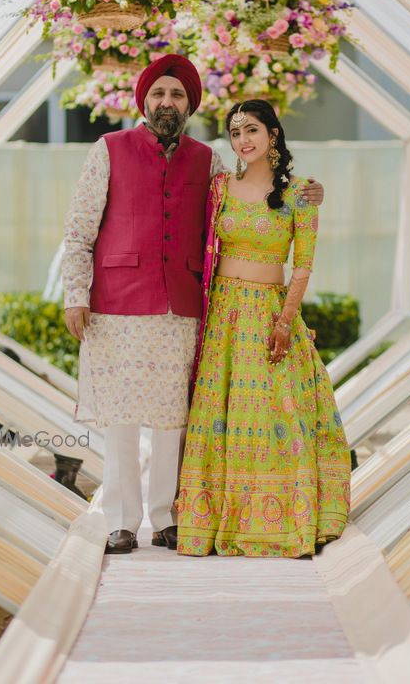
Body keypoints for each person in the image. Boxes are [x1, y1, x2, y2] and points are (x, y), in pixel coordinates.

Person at [62, 57, 323, 555]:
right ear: (144, 101)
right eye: (159, 94)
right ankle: (120, 519)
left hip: (182, 306)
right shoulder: (108, 150)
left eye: (177, 96)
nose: (167, 103)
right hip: (115, 305)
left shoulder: (211, 164)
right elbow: (79, 229)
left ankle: (164, 518)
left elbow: (258, 197)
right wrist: (77, 294)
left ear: (189, 106)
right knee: (119, 415)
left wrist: (311, 192)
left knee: (172, 418)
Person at [176, 100, 351, 559]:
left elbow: (303, 266)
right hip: (224, 317)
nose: (243, 140)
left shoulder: (299, 194)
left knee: (277, 414)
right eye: (235, 133)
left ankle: (273, 521)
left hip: (270, 314)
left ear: (273, 133)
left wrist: (285, 322)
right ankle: (210, 522)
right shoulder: (219, 188)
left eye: (251, 130)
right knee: (222, 417)